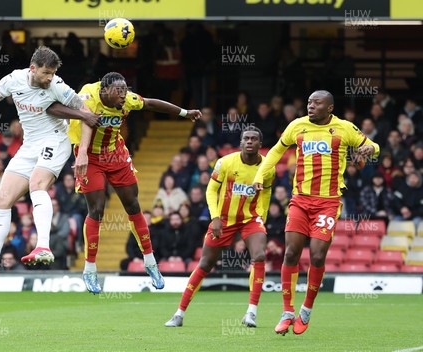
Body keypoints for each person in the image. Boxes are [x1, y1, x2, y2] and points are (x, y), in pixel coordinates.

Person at [46, 71, 201, 293]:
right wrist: (81, 127)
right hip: (89, 157)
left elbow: (150, 104)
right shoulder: (87, 96)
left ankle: (150, 262)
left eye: (125, 90)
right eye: (119, 91)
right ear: (104, 90)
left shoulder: (126, 99)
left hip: (115, 155)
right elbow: (53, 108)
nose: (123, 95)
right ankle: (90, 269)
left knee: (133, 205)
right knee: (96, 209)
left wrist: (184, 112)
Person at [0, 46, 100, 286]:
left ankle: (43, 245)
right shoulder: (13, 80)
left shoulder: (58, 86)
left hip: (56, 138)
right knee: (0, 200)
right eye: (45, 73)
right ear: (32, 69)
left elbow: (87, 116)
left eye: (52, 73)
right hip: (30, 144)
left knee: (37, 184)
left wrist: (82, 152)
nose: (49, 78)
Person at [252, 90, 379, 335]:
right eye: (309, 102)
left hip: (328, 202)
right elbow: (277, 151)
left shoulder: (344, 128)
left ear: (329, 108)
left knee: (318, 256)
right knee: (291, 252)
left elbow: (373, 145)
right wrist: (261, 174)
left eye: (316, 103)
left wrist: (369, 150)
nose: (310, 106)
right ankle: (287, 311)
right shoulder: (297, 126)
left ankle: (306, 309)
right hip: (300, 200)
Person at [165, 127, 275, 328]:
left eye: (254, 139)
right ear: (241, 143)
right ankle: (179, 313)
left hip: (250, 219)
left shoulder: (268, 167)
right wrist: (215, 217)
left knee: (259, 256)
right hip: (223, 219)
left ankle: (251, 312)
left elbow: (266, 194)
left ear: (260, 144)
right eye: (246, 139)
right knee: (205, 264)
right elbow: (211, 190)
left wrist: (262, 217)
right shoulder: (225, 162)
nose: (250, 141)